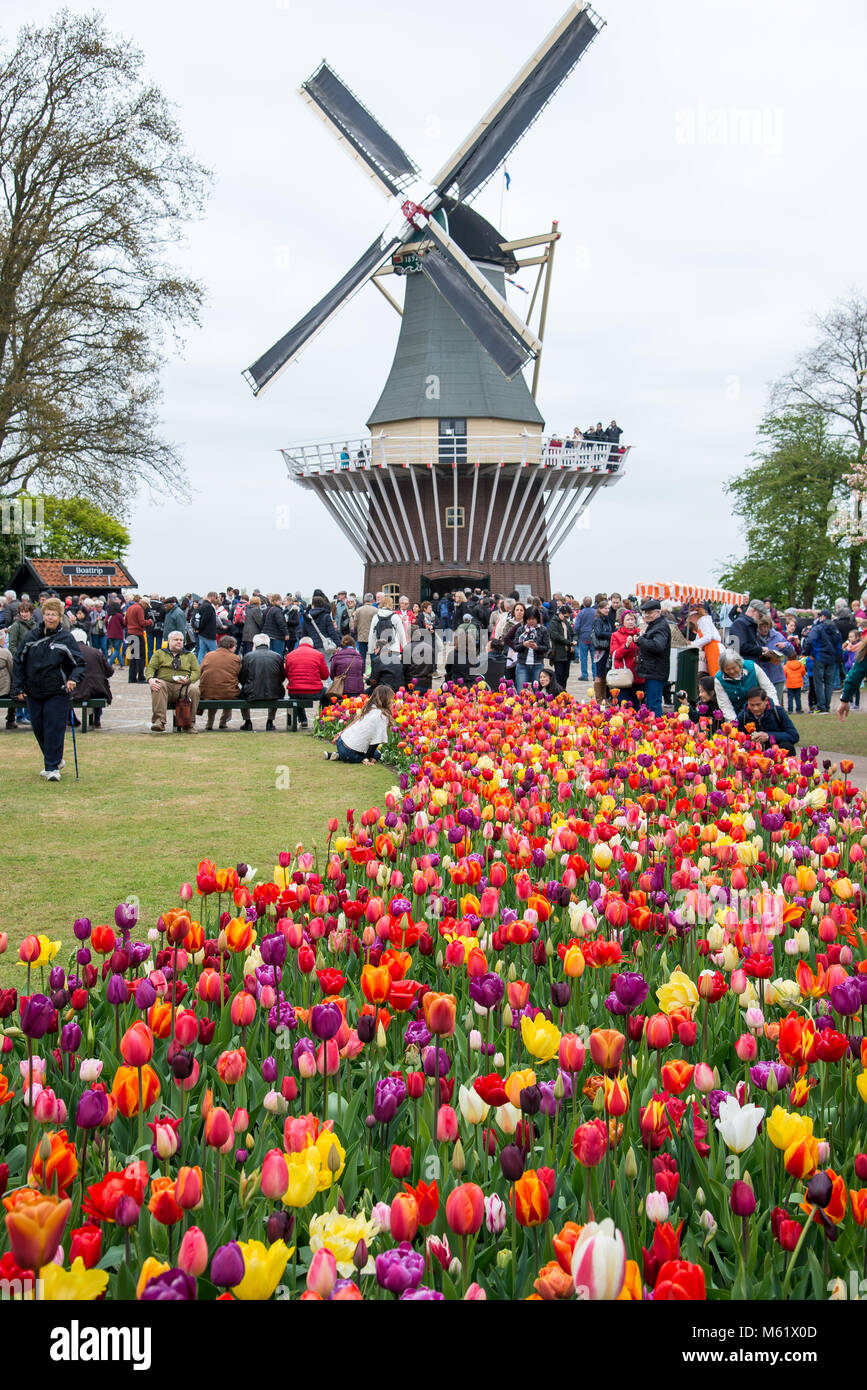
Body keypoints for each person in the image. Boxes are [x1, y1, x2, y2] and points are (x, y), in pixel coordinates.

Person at [10, 597, 85, 780]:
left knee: (54, 727)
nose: (50, 617)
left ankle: (52, 768)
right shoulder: (31, 636)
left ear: (60, 617)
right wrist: (18, 687)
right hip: (34, 690)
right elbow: (19, 662)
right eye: (47, 614)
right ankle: (55, 759)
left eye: (54, 614)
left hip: (57, 690)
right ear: (42, 615)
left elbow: (79, 663)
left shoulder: (65, 638)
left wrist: (73, 679)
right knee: (38, 728)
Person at [324, 685, 398, 764]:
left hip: (341, 741)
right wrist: (367, 758)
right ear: (386, 700)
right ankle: (343, 756)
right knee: (377, 755)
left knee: (370, 751)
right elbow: (375, 741)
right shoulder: (381, 716)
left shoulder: (369, 708)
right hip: (350, 753)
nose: (392, 701)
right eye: (391, 699)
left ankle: (337, 755)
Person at [146, 630, 201, 733]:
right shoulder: (159, 653)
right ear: (169, 641)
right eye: (176, 640)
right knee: (158, 684)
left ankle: (189, 724)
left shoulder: (190, 655)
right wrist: (150, 679)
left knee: (194, 689)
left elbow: (196, 671)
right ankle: (159, 722)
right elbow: (150, 668)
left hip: (183, 686)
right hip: (165, 684)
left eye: (181, 640)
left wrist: (189, 680)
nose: (179, 642)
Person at [714, 650, 778, 720]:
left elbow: (768, 688)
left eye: (734, 668)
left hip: (759, 710)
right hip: (736, 714)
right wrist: (734, 722)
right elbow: (725, 705)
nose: (731, 671)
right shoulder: (719, 679)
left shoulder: (752, 667)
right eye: (727, 669)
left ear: (739, 664)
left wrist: (774, 707)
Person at [239, 633, 286, 731]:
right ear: (268, 644)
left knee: (241, 692)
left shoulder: (248, 656)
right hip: (274, 693)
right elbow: (282, 677)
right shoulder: (277, 656)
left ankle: (247, 721)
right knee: (276, 688)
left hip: (251, 692)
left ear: (255, 644)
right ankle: (270, 721)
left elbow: (242, 677)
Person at [70, 627, 113, 727]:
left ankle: (71, 718)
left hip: (75, 690)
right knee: (99, 687)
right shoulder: (96, 652)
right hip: (97, 689)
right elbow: (110, 671)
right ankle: (97, 718)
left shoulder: (69, 653)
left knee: (63, 693)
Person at [635, 599, 672, 716]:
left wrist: (641, 640)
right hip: (653, 670)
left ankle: (656, 730)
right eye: (645, 613)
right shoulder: (655, 624)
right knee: (651, 703)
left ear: (658, 612)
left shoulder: (660, 627)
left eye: (650, 612)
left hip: (655, 671)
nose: (647, 615)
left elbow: (658, 646)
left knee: (654, 704)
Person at [737, 686, 800, 753]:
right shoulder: (743, 716)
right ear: (747, 702)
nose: (755, 708)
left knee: (787, 746)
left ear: (766, 700)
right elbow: (739, 739)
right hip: (754, 753)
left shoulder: (778, 712)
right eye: (752, 705)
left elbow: (794, 736)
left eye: (758, 704)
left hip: (776, 751)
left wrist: (768, 736)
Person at [802, 610, 842, 713]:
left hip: (819, 657)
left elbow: (810, 640)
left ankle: (821, 705)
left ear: (823, 617)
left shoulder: (818, 628)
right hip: (832, 658)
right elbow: (839, 645)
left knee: (818, 682)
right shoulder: (836, 630)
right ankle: (827, 705)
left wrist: (808, 653)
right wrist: (836, 656)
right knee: (829, 683)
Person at [285, 636, 329, 728]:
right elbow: (325, 676)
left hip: (295, 691)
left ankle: (303, 719)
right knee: (327, 694)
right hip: (314, 691)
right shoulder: (318, 654)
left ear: (299, 645)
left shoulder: (290, 655)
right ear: (311, 645)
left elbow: (287, 674)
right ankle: (323, 718)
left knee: (297, 692)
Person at [199, 635, 242, 730]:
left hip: (206, 692)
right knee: (230, 690)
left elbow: (201, 670)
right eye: (235, 646)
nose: (235, 648)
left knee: (214, 691)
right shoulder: (235, 658)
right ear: (230, 646)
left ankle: (209, 723)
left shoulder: (208, 655)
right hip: (227, 693)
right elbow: (239, 674)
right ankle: (223, 720)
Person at [608, 608, 642, 706]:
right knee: (624, 705)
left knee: (637, 705)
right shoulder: (616, 635)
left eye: (632, 619)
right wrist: (626, 645)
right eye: (628, 620)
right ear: (622, 621)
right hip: (623, 675)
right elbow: (615, 654)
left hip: (638, 675)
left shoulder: (640, 633)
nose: (631, 622)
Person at [513, 609, 550, 691]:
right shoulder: (521, 630)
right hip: (522, 664)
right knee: (521, 691)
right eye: (529, 619)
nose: (531, 621)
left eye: (533, 619)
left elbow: (547, 648)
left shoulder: (543, 630)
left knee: (537, 692)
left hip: (537, 664)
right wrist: (523, 645)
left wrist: (537, 647)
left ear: (537, 619)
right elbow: (515, 647)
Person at [123, 594, 152, 684]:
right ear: (143, 603)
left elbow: (125, 622)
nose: (146, 607)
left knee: (133, 657)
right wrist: (150, 621)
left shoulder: (130, 608)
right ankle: (140, 677)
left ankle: (131, 677)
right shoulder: (139, 609)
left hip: (130, 634)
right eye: (146, 605)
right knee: (141, 657)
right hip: (138, 634)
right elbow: (142, 622)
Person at [327, 635, 365, 700]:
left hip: (341, 690)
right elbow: (362, 673)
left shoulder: (336, 657)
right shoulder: (359, 657)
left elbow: (332, 676)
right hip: (357, 690)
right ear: (353, 644)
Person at [687, 604, 721, 677]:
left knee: (715, 673)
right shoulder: (701, 623)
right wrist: (691, 643)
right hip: (710, 649)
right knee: (712, 672)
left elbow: (708, 637)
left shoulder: (703, 620)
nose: (689, 620)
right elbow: (699, 639)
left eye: (690, 617)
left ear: (694, 616)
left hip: (714, 649)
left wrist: (693, 644)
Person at [591, 599, 615, 703]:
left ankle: (604, 697)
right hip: (600, 649)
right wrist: (612, 635)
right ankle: (599, 698)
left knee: (604, 673)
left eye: (608, 608)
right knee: (599, 673)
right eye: (605, 608)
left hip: (606, 648)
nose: (607, 610)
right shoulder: (598, 620)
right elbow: (599, 633)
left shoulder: (606, 619)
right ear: (599, 609)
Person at [547, 605, 574, 690]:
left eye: (568, 617)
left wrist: (574, 641)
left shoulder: (566, 622)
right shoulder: (553, 622)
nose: (567, 618)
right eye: (566, 616)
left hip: (567, 653)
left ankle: (563, 691)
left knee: (565, 675)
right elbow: (556, 636)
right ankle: (558, 692)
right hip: (558, 653)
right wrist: (570, 643)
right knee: (559, 675)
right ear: (560, 613)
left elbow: (573, 633)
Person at [574, 597, 596, 683]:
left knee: (583, 658)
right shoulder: (595, 612)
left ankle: (584, 675)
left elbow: (576, 626)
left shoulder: (581, 613)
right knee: (594, 658)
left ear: (583, 603)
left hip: (583, 636)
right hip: (593, 637)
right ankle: (595, 675)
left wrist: (578, 634)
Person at [352, 594, 377, 668]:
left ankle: (362, 673)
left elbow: (355, 623)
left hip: (361, 636)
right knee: (373, 657)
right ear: (372, 600)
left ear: (364, 600)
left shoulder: (358, 610)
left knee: (362, 657)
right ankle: (373, 674)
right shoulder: (376, 610)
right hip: (372, 637)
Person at [195, 592, 219, 665]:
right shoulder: (209, 607)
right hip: (209, 633)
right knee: (215, 652)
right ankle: (215, 666)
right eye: (216, 598)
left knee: (201, 652)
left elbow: (199, 619)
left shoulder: (201, 606)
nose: (216, 599)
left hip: (201, 633)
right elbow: (205, 620)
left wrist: (198, 628)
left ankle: (200, 667)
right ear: (212, 597)